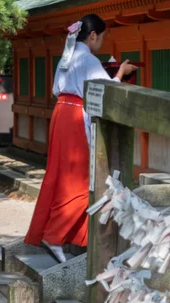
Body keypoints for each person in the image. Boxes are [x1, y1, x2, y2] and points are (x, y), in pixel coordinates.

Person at [24, 14, 137, 262]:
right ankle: (54, 235)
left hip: (61, 112)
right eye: (103, 36)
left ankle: (59, 234)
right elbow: (103, 89)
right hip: (74, 116)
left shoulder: (67, 57)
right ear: (93, 35)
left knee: (61, 174)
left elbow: (56, 89)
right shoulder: (88, 58)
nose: (103, 41)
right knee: (82, 177)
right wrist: (120, 73)